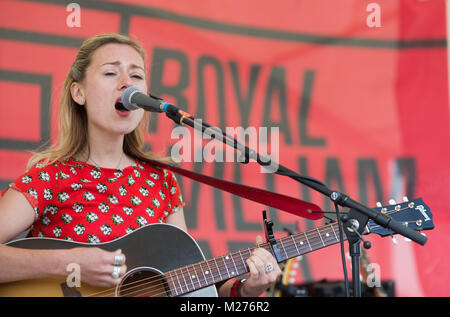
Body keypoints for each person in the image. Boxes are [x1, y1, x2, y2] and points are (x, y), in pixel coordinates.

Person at [0, 33, 281, 297]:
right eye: (111, 72)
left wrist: (244, 291)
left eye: (136, 75)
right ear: (79, 93)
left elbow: (187, 282)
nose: (127, 83)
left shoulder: (161, 180)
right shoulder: (50, 178)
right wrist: (70, 263)